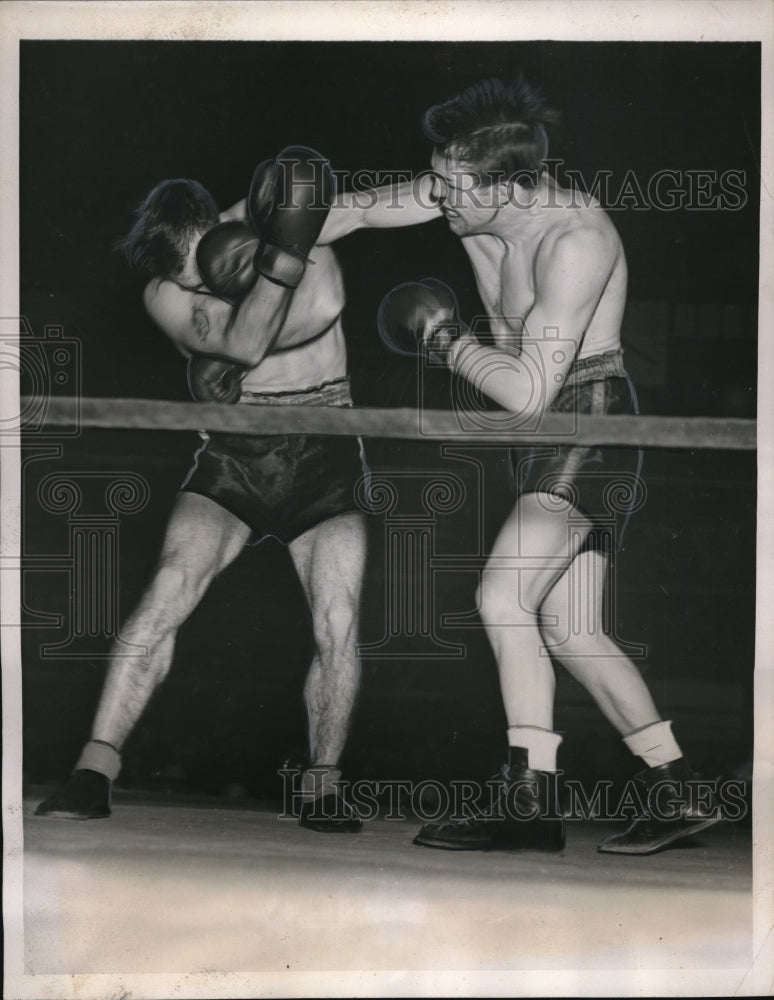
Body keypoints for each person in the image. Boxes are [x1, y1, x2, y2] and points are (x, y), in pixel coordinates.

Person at [323, 76, 722, 855]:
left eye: (452, 189)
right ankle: (674, 787)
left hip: (587, 421)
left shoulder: (576, 240)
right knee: (572, 630)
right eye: (434, 180)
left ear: (511, 185)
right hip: (542, 431)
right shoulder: (463, 187)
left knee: (502, 597)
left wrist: (446, 341)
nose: (438, 200)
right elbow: (361, 207)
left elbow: (529, 390)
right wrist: (255, 234)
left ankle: (529, 797)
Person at [35, 147, 366, 832]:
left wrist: (285, 245)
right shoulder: (165, 291)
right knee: (169, 586)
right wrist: (278, 267)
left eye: (201, 270)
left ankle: (323, 785)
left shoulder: (282, 222)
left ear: (219, 225)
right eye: (188, 283)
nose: (199, 290)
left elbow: (326, 303)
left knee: (337, 617)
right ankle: (93, 771)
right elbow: (243, 348)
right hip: (234, 454)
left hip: (327, 445)